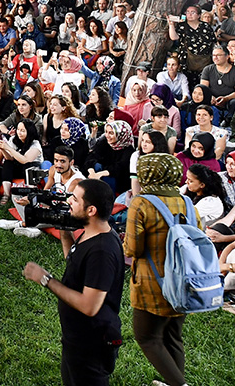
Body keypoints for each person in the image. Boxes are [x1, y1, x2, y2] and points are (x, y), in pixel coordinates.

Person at [22, 179, 124, 386]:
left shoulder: (102, 251)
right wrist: (64, 232)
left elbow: (89, 306)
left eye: (75, 199)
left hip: (92, 342)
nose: (69, 201)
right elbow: (75, 262)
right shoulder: (90, 233)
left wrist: (45, 279)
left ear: (91, 210)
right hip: (76, 337)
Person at [123, 153, 190, 386]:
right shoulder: (186, 202)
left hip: (152, 283)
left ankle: (179, 384)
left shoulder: (142, 203)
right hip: (183, 280)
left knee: (147, 337)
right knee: (173, 336)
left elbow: (133, 248)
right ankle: (174, 381)